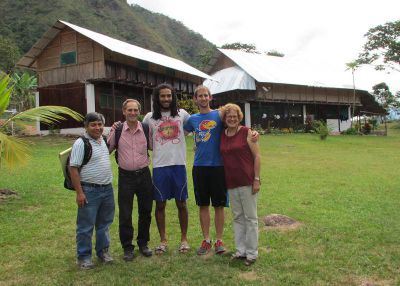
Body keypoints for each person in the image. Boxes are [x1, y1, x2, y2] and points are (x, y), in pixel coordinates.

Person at [184, 85, 259, 255]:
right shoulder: (192, 119)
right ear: (195, 99)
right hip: (200, 167)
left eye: (206, 95)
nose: (203, 98)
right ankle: (206, 240)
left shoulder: (219, 114)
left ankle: (218, 240)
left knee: (219, 205)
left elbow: (234, 118)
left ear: (210, 98)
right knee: (203, 204)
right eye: (200, 96)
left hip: (218, 167)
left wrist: (253, 133)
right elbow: (182, 132)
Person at [143, 83, 190, 254]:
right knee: (160, 204)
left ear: (173, 96)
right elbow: (142, 134)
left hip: (179, 165)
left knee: (181, 203)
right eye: (162, 96)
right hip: (159, 166)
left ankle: (184, 239)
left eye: (169, 95)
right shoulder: (149, 118)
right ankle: (163, 240)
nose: (166, 99)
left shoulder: (183, 115)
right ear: (157, 98)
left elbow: (193, 129)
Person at [108, 99, 153, 261]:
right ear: (124, 112)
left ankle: (143, 244)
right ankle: (127, 247)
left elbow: (155, 147)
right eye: (130, 110)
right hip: (125, 177)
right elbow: (107, 149)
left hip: (144, 175)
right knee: (125, 214)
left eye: (135, 110)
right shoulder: (117, 130)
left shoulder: (146, 128)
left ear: (139, 112)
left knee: (145, 211)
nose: (133, 113)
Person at [69, 112, 115, 270]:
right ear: (86, 126)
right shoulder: (81, 143)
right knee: (85, 226)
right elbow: (73, 168)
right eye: (93, 125)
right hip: (89, 190)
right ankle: (84, 257)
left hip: (107, 189)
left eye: (100, 124)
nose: (97, 127)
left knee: (104, 224)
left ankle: (103, 252)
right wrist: (80, 193)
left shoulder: (102, 140)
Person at [220, 103, 261, 266]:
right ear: (225, 118)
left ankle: (252, 253)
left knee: (250, 218)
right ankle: (240, 250)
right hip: (231, 182)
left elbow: (257, 156)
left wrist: (256, 179)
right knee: (237, 217)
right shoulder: (222, 134)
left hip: (247, 181)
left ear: (239, 118)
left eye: (235, 116)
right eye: (229, 116)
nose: (232, 119)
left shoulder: (247, 132)